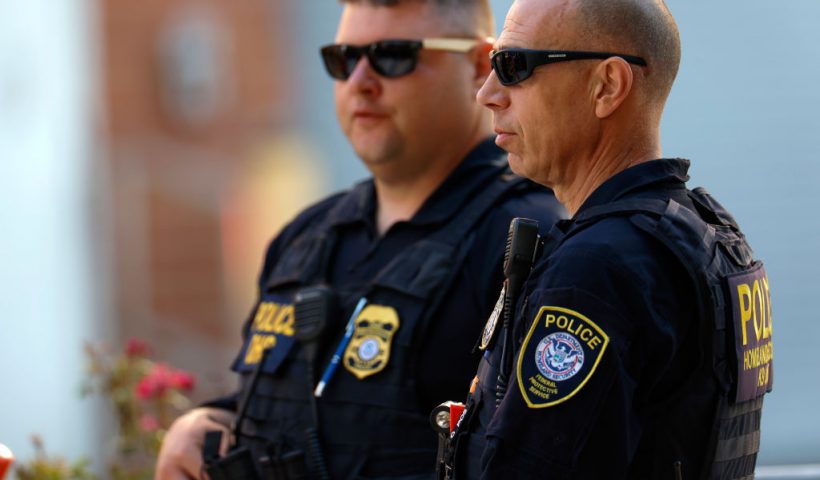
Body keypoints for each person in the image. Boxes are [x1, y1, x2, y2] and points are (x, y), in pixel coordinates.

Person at [155, 0, 565, 479]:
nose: (360, 82)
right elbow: (301, 407)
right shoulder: (305, 237)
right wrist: (209, 421)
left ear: (479, 64)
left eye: (393, 56)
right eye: (344, 59)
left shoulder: (527, 239)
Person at [443, 0, 774, 478]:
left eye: (514, 66)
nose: (488, 93)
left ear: (607, 86)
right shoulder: (709, 239)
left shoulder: (598, 269)